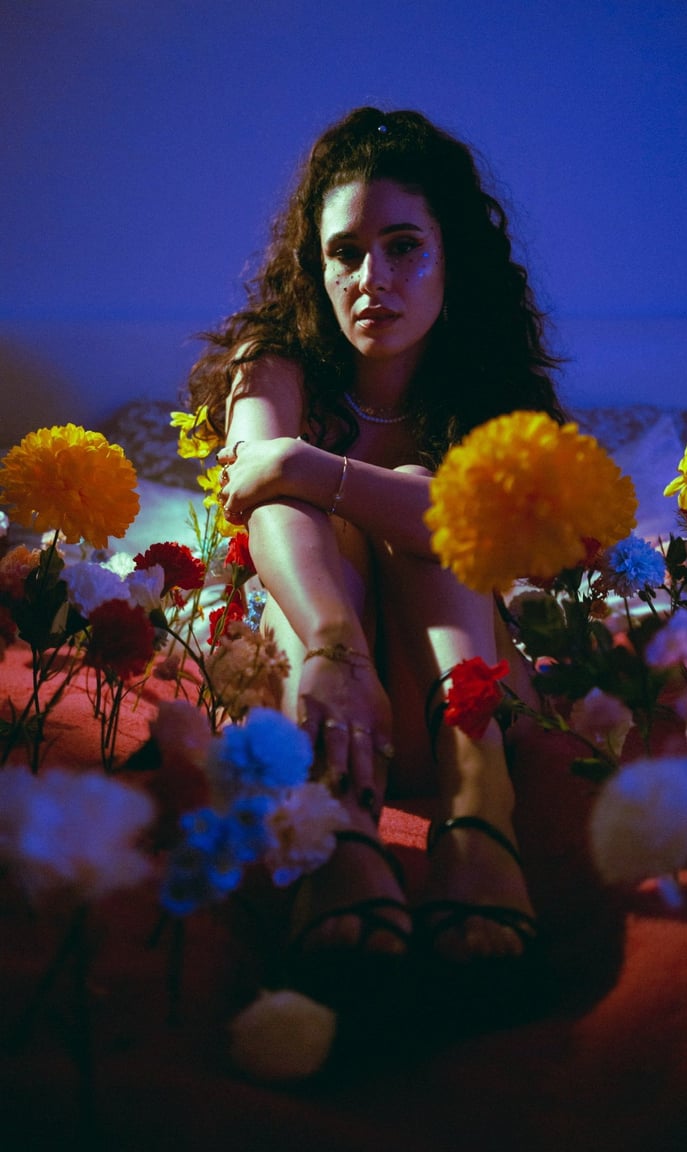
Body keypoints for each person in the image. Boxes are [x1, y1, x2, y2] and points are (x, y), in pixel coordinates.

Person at [187, 107, 564, 981]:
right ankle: (338, 827)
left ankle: (480, 811)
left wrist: (302, 462)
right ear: (315, 267)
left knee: (432, 506)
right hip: (317, 685)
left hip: (455, 699)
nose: (372, 280)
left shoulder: (488, 388)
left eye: (404, 247)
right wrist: (335, 645)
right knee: (312, 519)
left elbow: (467, 520)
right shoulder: (274, 362)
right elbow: (256, 494)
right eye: (345, 253)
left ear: (451, 255)